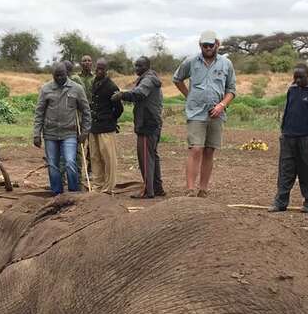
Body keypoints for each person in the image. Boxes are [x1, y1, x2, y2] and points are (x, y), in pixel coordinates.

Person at [173, 30, 236, 197]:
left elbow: (231, 90)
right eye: (204, 45)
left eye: (211, 45)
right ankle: (190, 189)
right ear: (200, 45)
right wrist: (189, 96)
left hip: (217, 113)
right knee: (196, 149)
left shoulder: (226, 64)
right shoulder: (191, 62)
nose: (208, 48)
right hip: (196, 112)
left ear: (217, 44)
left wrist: (222, 105)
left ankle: (203, 189)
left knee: (209, 150)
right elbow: (177, 79)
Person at [269, 64, 308, 213]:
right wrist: (283, 131)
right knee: (285, 171)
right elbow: (287, 110)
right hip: (288, 137)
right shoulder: (292, 90)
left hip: (307, 138)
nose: (297, 80)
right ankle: (280, 203)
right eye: (295, 77)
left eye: (301, 77)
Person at [33, 62, 91, 195]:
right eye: (56, 76)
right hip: (50, 134)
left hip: (69, 133)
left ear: (67, 74)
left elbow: (86, 111)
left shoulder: (77, 89)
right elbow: (39, 112)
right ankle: (57, 193)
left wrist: (85, 131)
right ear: (53, 75)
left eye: (62, 75)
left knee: (70, 162)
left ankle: (73, 192)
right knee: (53, 166)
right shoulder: (46, 89)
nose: (59, 78)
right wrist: (37, 134)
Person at [112, 56, 164, 199]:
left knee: (146, 157)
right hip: (152, 121)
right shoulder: (149, 78)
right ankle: (157, 187)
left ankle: (148, 190)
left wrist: (122, 95)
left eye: (139, 66)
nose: (136, 69)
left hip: (148, 123)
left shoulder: (148, 80)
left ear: (146, 66)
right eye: (135, 66)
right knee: (152, 155)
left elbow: (140, 93)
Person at [88, 58, 123, 194]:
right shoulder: (94, 83)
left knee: (109, 159)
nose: (99, 71)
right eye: (97, 69)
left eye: (102, 69)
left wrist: (111, 121)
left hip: (107, 128)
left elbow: (119, 109)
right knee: (95, 158)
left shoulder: (111, 87)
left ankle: (108, 188)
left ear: (106, 70)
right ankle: (98, 186)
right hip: (94, 127)